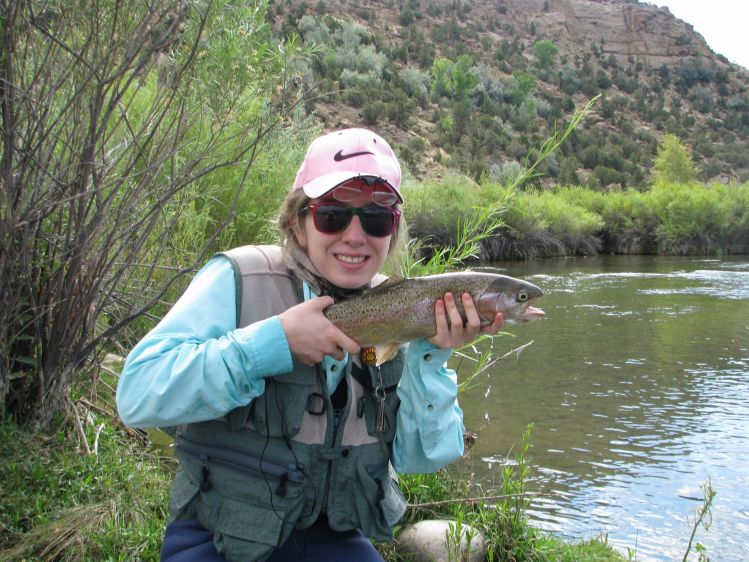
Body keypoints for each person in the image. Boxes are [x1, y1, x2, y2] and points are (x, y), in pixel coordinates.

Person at [116, 128, 504, 561]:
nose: (356, 236)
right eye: (333, 216)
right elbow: (136, 395)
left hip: (331, 539)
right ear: (298, 222)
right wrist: (272, 343)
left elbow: (420, 457)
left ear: (391, 230)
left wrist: (431, 356)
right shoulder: (240, 279)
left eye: (376, 220)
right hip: (215, 539)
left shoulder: (402, 310)